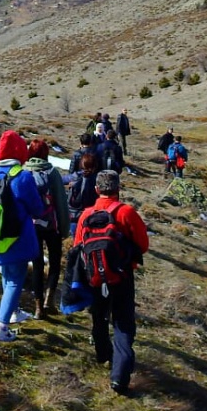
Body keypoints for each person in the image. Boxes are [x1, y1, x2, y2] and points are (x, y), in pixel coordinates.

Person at [73, 168, 149, 394]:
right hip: (122, 275)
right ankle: (119, 377)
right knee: (123, 322)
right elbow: (143, 245)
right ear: (118, 188)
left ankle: (102, 354)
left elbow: (78, 246)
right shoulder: (126, 212)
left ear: (97, 189)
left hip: (94, 275)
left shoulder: (86, 215)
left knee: (99, 315)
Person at [0, 130, 44, 341]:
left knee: (7, 274)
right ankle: (2, 327)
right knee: (15, 278)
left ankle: (12, 312)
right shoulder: (23, 176)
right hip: (16, 239)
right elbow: (36, 209)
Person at [24, 138, 70, 318]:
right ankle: (49, 301)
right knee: (55, 262)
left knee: (36, 265)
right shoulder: (52, 172)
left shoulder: (23, 171)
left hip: (31, 224)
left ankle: (37, 308)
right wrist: (64, 228)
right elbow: (61, 202)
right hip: (51, 225)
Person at [66, 149, 101, 236]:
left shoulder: (74, 177)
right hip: (90, 216)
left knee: (76, 240)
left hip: (74, 215)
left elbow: (60, 179)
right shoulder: (97, 180)